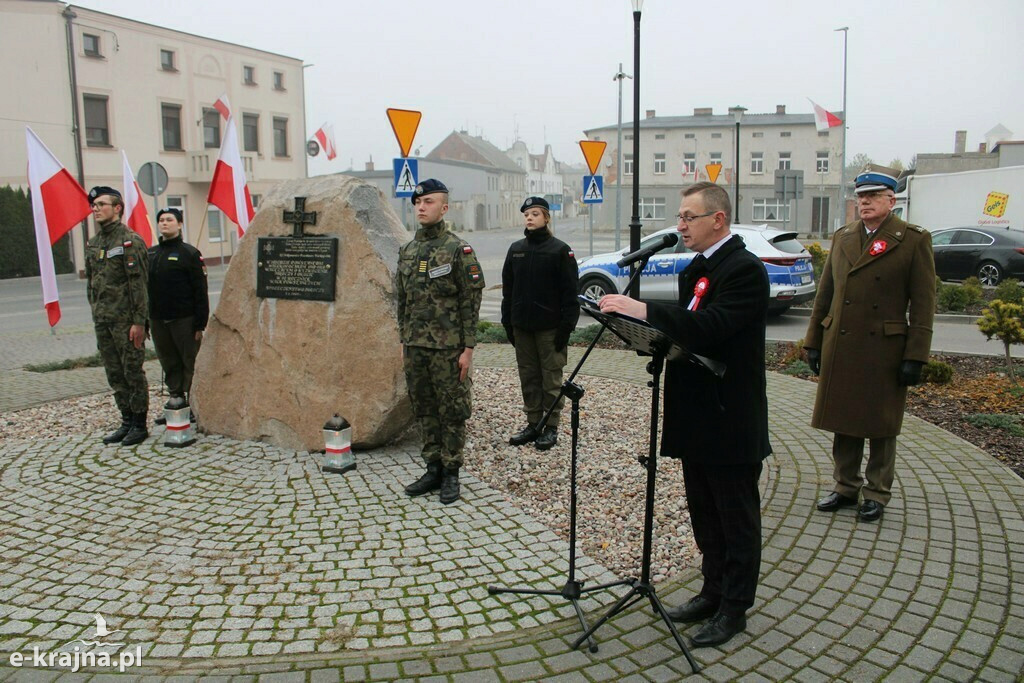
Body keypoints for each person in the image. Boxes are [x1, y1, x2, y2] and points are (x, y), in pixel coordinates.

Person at [599, 181, 770, 648]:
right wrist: (646, 335)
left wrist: (644, 309)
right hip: (698, 415)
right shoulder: (699, 267)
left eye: (687, 217)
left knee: (736, 520)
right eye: (678, 217)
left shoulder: (744, 270)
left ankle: (735, 609)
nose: (679, 226)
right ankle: (711, 592)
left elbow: (714, 327)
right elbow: (690, 333)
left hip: (730, 417)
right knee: (705, 514)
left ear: (717, 219)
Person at [804, 164, 935, 523]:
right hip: (842, 342)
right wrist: (814, 341)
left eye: (873, 196)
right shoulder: (844, 236)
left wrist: (916, 355)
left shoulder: (912, 239)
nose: (865, 202)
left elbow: (924, 303)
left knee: (881, 423)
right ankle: (845, 485)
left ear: (891, 200)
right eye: (861, 196)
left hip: (885, 348)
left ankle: (877, 492)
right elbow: (825, 294)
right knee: (843, 418)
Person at [395, 179, 485, 504]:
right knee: (425, 410)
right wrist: (404, 340)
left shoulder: (458, 250)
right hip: (416, 348)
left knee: (452, 411)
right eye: (418, 202)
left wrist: (468, 348)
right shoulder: (408, 251)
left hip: (448, 349)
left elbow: (470, 302)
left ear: (444, 208)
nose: (421, 207)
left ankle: (451, 473)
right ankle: (432, 468)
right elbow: (401, 300)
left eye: (429, 202)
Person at [501, 196, 580, 451]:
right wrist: (508, 323)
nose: (530, 218)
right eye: (527, 214)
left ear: (546, 217)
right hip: (522, 327)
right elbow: (508, 291)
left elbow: (570, 295)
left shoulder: (560, 250)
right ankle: (533, 423)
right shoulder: (516, 250)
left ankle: (550, 426)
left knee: (551, 379)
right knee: (529, 377)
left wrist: (565, 329)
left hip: (550, 329)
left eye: (535, 214)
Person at [85, 186, 151, 446]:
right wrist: (95, 310)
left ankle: (139, 423)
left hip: (126, 322)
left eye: (102, 204)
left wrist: (139, 322)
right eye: (94, 205)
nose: (96, 209)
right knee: (114, 372)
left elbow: (139, 285)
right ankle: (126, 420)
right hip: (104, 320)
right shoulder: (94, 243)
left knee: (132, 370)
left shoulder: (130, 241)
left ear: (117, 208)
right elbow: (92, 282)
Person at [147, 208, 209, 424]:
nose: (164, 223)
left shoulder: (189, 253)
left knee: (188, 362)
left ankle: (193, 405)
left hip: (184, 319)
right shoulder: (151, 254)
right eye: (161, 220)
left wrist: (200, 323)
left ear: (180, 224)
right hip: (158, 319)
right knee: (168, 361)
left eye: (169, 220)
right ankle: (176, 402)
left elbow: (200, 291)